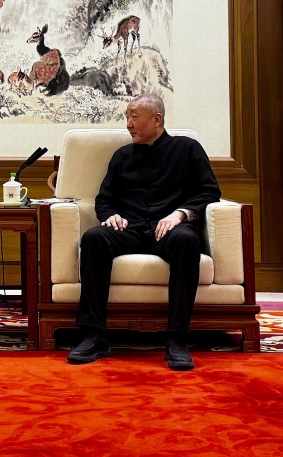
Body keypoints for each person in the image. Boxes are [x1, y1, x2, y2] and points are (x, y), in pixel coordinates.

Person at [67, 94, 221, 370]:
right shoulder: (122, 156)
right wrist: (110, 215)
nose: (128, 124)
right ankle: (93, 336)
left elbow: (210, 192)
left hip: (169, 231)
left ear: (157, 119)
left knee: (187, 240)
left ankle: (177, 340)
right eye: (127, 117)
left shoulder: (188, 149)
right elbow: (104, 199)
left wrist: (180, 214)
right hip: (130, 229)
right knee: (94, 237)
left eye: (134, 117)